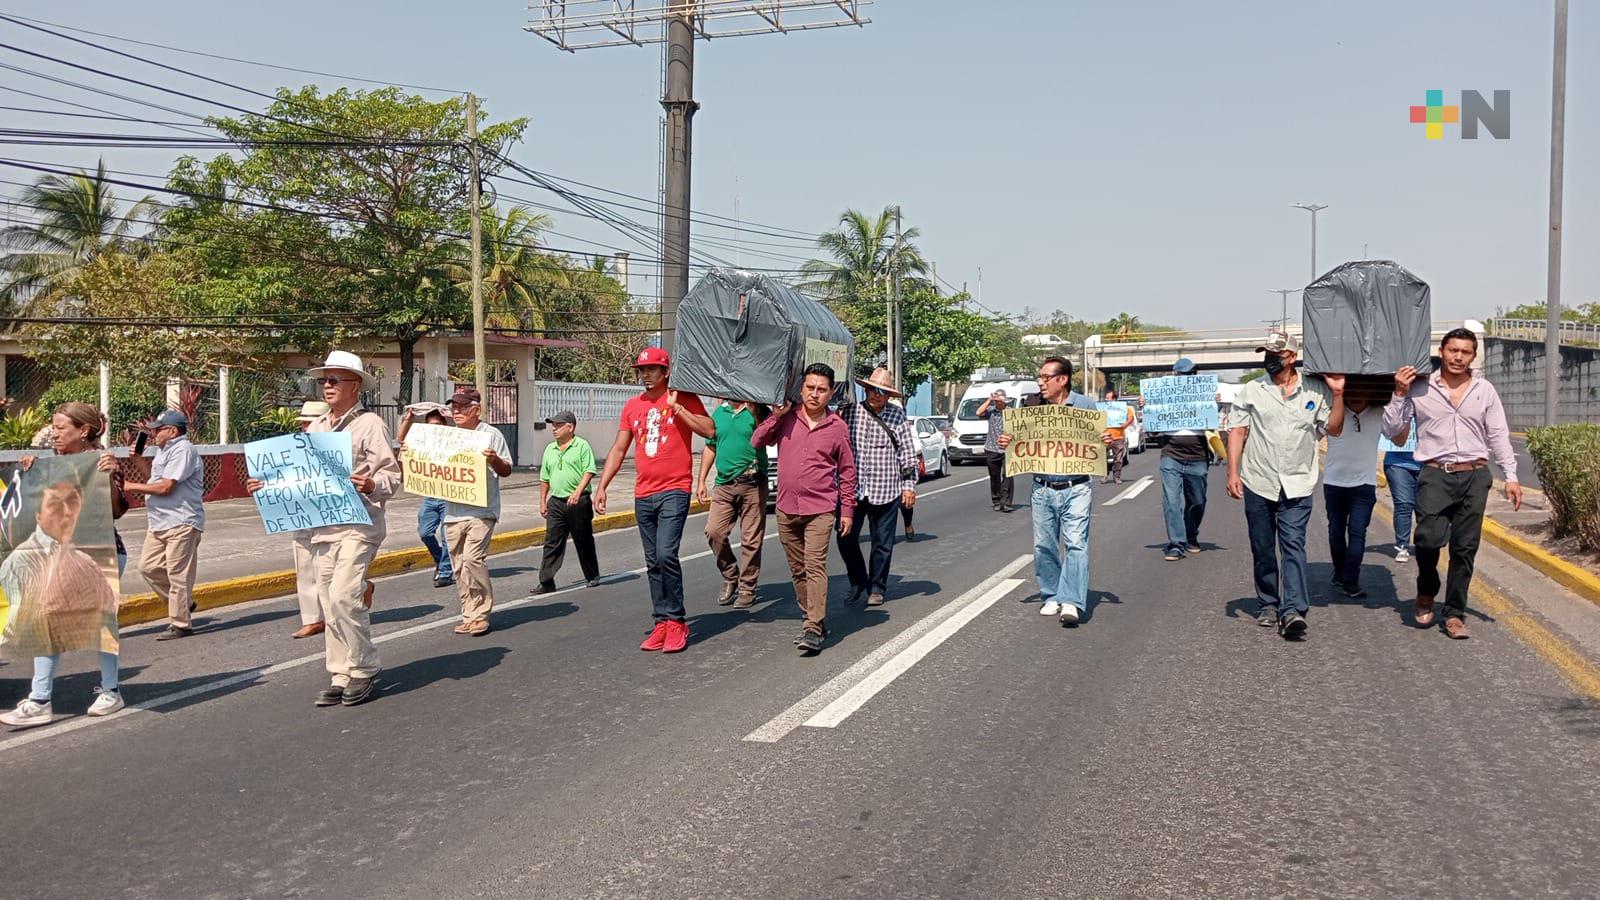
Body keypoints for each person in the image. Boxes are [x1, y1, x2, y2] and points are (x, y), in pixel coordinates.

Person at [249, 350, 400, 707]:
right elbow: (300, 477)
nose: (327, 386)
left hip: (358, 525)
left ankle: (364, 666)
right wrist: (266, 486)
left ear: (355, 385)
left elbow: (391, 475)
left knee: (345, 596)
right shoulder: (316, 428)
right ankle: (341, 673)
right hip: (322, 529)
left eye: (334, 380)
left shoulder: (370, 425)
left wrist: (371, 484)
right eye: (324, 380)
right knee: (329, 605)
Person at [1384, 329, 1522, 639]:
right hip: (1435, 474)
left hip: (1475, 475)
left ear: (1473, 356)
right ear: (1442, 352)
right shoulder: (1419, 387)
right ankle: (1427, 588)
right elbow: (1394, 432)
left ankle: (1454, 613)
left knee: (1465, 549)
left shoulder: (1484, 390)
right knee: (1427, 540)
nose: (1458, 357)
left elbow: (1498, 434)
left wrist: (1511, 476)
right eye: (1453, 350)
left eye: (1465, 352)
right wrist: (1399, 393)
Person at [0, 402, 128, 728]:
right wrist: (29, 474)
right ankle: (41, 698)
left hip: (99, 556)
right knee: (46, 618)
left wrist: (109, 477)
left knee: (99, 623)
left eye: (60, 428)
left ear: (83, 431)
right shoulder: (52, 463)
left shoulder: (101, 461)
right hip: (54, 557)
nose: (54, 433)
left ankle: (108, 691)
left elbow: (116, 510)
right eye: (54, 427)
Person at [594, 347, 715, 654]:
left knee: (666, 554)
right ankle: (661, 621)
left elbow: (709, 430)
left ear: (665, 372)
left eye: (651, 369)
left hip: (675, 489)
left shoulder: (682, 397)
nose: (645, 375)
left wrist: (678, 409)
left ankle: (676, 621)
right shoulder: (632, 406)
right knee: (652, 562)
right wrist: (602, 486)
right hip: (643, 494)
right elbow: (619, 449)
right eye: (642, 370)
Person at [1227, 331, 1346, 640]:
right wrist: (1233, 472)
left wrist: (1338, 395)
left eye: (1275, 354)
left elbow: (1334, 429)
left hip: (1298, 482)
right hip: (1259, 480)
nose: (1270, 359)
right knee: (1263, 546)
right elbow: (1237, 431)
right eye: (1266, 353)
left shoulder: (1315, 390)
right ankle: (1268, 603)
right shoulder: (1252, 390)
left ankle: (1292, 609)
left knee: (1293, 544)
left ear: (1292, 357)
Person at [751, 363, 856, 655]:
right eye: (810, 388)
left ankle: (812, 627)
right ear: (801, 389)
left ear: (831, 393)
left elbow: (847, 472)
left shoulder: (837, 427)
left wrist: (847, 510)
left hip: (820, 509)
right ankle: (813, 618)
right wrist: (776, 416)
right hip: (786, 507)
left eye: (821, 389)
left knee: (814, 565)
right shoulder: (787, 417)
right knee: (797, 570)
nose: (814, 394)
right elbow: (757, 440)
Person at [997, 356, 1105, 626]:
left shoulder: (1085, 406)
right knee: (1044, 545)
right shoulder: (1032, 407)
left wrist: (1105, 439)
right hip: (1042, 488)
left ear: (1063, 379)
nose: (1041, 382)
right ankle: (1052, 594)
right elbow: (1018, 440)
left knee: (1076, 544)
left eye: (1046, 377)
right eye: (1040, 377)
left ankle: (1072, 601)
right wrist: (1008, 441)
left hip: (1076, 487)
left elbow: (1097, 442)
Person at [835, 367, 918, 608]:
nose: (876, 395)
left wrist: (908, 487)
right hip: (852, 489)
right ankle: (858, 580)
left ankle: (877, 587)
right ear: (866, 389)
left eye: (882, 392)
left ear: (889, 395)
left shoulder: (897, 415)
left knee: (882, 543)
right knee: (845, 538)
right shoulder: (850, 411)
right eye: (873, 389)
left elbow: (907, 453)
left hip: (886, 489)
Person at [126, 409, 205, 641]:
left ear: (172, 431)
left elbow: (166, 487)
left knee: (178, 574)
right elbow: (154, 479)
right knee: (147, 566)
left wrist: (130, 486)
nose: (153, 434)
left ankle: (181, 624)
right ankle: (184, 603)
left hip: (181, 521)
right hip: (160, 522)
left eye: (158, 430)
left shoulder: (183, 450)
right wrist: (137, 460)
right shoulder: (164, 451)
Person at [441, 386, 513, 636]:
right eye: (454, 406)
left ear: (477, 409)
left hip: (482, 511)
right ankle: (469, 614)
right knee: (459, 566)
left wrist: (494, 459)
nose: (456, 411)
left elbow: (506, 470)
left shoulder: (490, 435)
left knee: (473, 559)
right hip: (452, 512)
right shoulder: (447, 437)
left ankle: (481, 613)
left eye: (462, 406)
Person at [698, 398, 768, 610]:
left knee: (751, 539)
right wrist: (701, 480)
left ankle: (747, 588)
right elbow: (710, 447)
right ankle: (730, 575)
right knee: (714, 532)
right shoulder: (719, 413)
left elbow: (768, 437)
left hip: (753, 482)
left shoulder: (758, 410)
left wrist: (755, 411)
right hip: (724, 484)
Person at [1152, 358, 1214, 561]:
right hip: (1171, 454)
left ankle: (1191, 534)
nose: (1188, 378)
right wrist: (1149, 405)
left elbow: (1213, 425)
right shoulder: (1163, 396)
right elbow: (1152, 429)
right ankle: (1176, 544)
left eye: (1191, 374)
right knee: (1171, 501)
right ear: (1175, 375)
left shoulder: (1205, 395)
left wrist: (1214, 403)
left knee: (1198, 500)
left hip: (1198, 456)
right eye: (1184, 374)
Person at [1323, 395, 1382, 598]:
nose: (1358, 395)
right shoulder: (1333, 410)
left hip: (1364, 485)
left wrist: (1401, 398)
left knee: (1357, 533)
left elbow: (1398, 437)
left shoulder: (1379, 412)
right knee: (1336, 532)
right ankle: (1339, 572)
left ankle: (1350, 581)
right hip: (1334, 484)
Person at [535, 410, 599, 594]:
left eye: (558, 425)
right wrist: (542, 501)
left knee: (583, 539)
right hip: (556, 501)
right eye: (553, 425)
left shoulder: (582, 446)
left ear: (570, 427)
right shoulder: (550, 449)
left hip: (578, 501)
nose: (554, 429)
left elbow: (589, 471)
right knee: (552, 542)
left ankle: (592, 575)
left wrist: (577, 492)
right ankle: (546, 581)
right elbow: (544, 478)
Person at [397, 404, 454, 590]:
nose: (433, 429)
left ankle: (445, 572)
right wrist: (408, 419)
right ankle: (441, 561)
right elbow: (401, 440)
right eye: (430, 425)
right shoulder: (421, 444)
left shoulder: (452, 442)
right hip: (430, 496)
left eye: (437, 425)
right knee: (425, 533)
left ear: (444, 426)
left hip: (448, 496)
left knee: (446, 535)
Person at [289, 400, 330, 639]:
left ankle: (361, 587)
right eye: (303, 423)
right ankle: (312, 619)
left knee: (329, 568)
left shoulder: (336, 448)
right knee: (304, 565)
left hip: (332, 518)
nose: (305, 427)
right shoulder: (293, 449)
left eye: (309, 423)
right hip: (303, 515)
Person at [1383, 418, 1421, 563]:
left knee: (1425, 509)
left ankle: (1424, 544)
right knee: (1403, 504)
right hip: (1397, 463)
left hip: (1428, 464)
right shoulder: (1396, 407)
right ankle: (1402, 546)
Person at [975, 389, 1013, 512]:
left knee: (1008, 475)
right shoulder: (991, 411)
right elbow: (979, 412)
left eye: (999, 401)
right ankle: (996, 500)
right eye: (996, 401)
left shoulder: (1011, 412)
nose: (998, 403)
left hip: (1007, 448)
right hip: (992, 448)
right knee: (994, 476)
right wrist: (989, 400)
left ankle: (1006, 502)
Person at [1099, 388, 1136, 485]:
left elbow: (1131, 418)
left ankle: (1117, 477)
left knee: (1118, 458)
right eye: (1106, 398)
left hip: (1118, 437)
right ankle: (1104, 475)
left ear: (1114, 399)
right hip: (1105, 436)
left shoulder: (1123, 408)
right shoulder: (1102, 407)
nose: (1106, 400)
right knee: (1103, 457)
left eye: (1108, 398)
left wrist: (1125, 425)